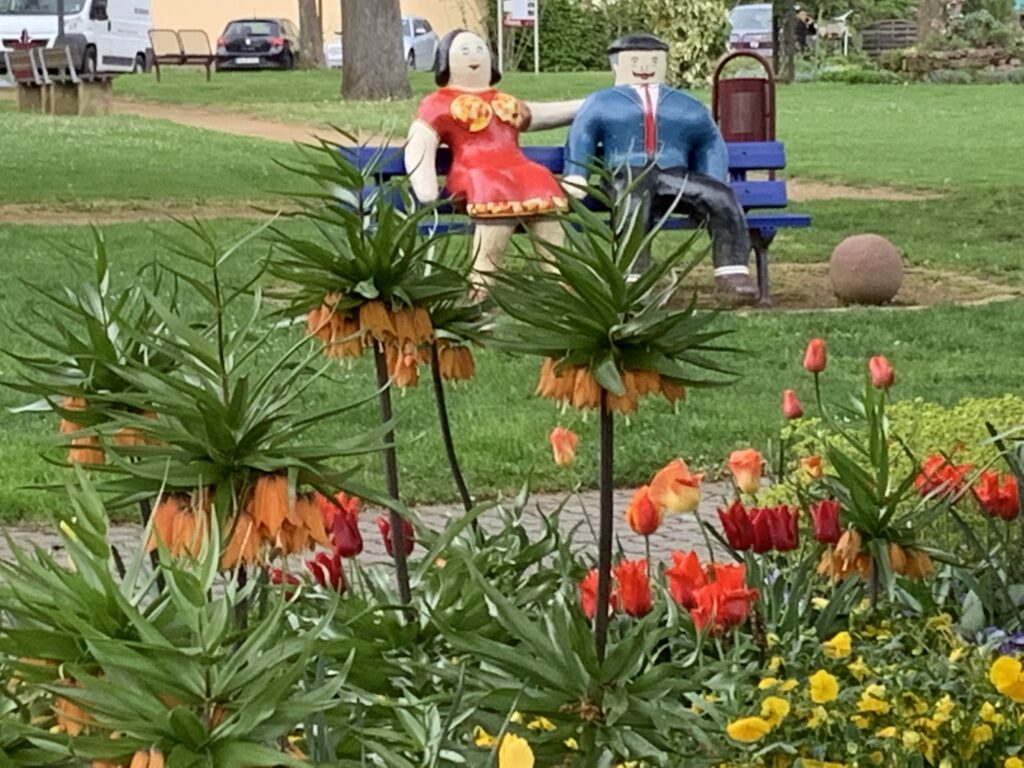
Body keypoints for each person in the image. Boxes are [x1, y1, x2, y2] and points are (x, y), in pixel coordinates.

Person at [563, 32, 758, 303]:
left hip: (673, 174)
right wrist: (577, 175)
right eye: (635, 60)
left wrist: (712, 178)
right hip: (624, 173)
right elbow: (581, 135)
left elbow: (709, 141)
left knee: (721, 196)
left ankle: (732, 273)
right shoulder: (601, 102)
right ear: (616, 64)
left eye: (654, 60)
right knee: (633, 198)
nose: (645, 67)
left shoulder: (684, 104)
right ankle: (633, 280)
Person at [405, 29, 583, 290]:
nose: (474, 57)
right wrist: (425, 186)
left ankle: (559, 279)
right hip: (474, 171)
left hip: (517, 168)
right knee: (493, 187)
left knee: (541, 180)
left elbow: (541, 113)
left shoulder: (504, 102)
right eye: (465, 51)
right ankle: (482, 282)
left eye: (480, 50)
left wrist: (587, 105)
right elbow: (421, 140)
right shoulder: (438, 103)